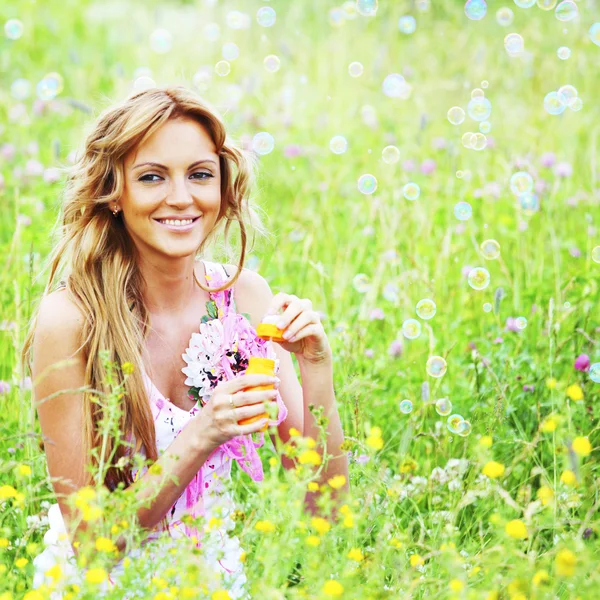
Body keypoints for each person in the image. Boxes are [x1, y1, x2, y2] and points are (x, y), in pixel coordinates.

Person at [21, 86, 349, 598]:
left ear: (223, 189)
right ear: (114, 192)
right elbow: (92, 544)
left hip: (211, 583)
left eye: (200, 174)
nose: (181, 197)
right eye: (152, 177)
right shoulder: (70, 320)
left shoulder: (243, 297)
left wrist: (317, 370)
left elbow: (322, 505)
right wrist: (205, 431)